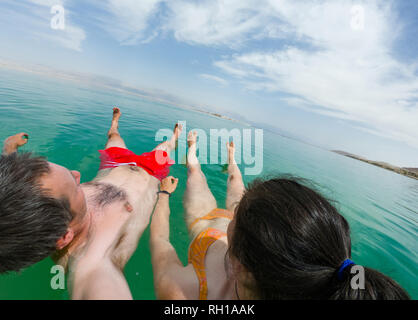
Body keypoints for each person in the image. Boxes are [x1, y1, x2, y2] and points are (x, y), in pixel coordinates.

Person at [150, 132, 410, 300]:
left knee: (195, 174)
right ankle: (231, 160)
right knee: (236, 181)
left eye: (237, 217)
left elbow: (161, 241)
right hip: (257, 233)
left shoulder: (183, 293)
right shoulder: (309, 281)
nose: (234, 214)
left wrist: (163, 193)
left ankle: (193, 152)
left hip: (204, 223)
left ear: (240, 267)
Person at [0, 108, 181, 300]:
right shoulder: (92, 263)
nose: (77, 174)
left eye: (70, 174)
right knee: (166, 147)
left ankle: (114, 124)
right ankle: (175, 137)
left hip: (114, 164)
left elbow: (14, 192)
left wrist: (10, 154)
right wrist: (163, 194)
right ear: (64, 236)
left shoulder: (41, 204)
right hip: (151, 173)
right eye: (76, 187)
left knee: (114, 136)